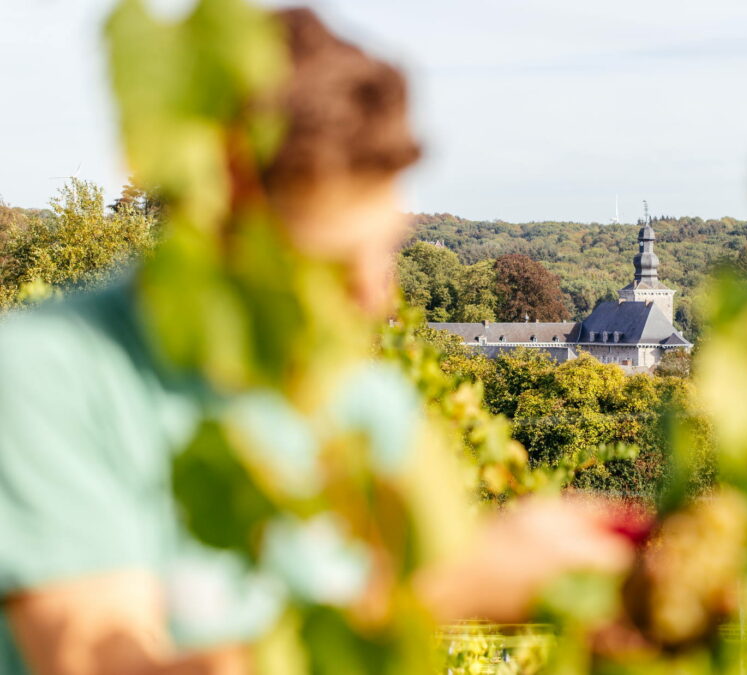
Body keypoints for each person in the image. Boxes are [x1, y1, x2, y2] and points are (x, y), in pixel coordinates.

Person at [0, 9, 632, 675]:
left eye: (386, 249)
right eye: (335, 262)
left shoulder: (365, 401)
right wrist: (442, 596)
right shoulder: (49, 372)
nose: (377, 297)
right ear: (226, 218)